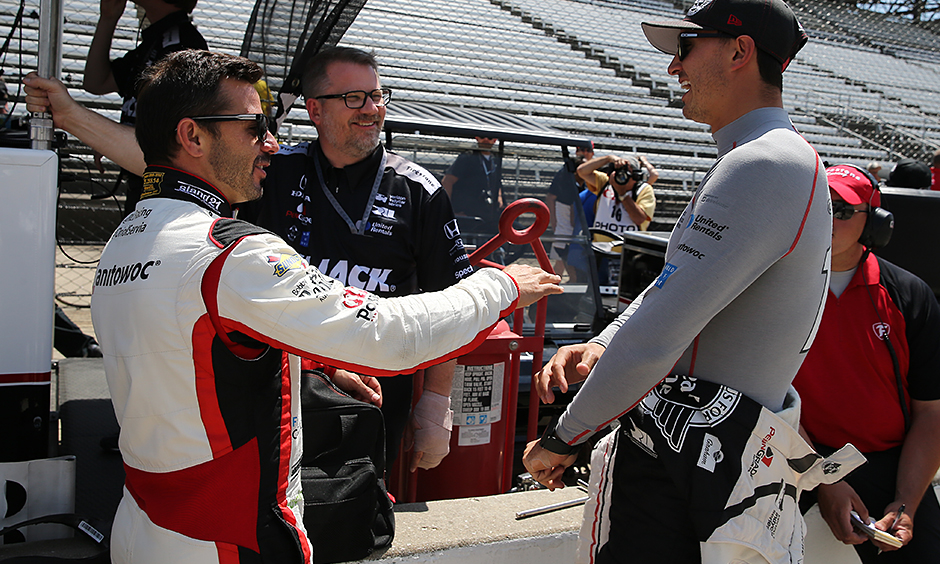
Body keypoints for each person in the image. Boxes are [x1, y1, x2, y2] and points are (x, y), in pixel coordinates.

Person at [30, 49, 560, 564]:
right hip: (228, 541)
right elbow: (391, 336)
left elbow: (202, 350)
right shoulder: (230, 252)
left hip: (143, 522)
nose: (270, 143)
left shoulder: (127, 239)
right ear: (191, 136)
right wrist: (503, 287)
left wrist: (315, 360)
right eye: (253, 128)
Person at [522, 0, 850, 561]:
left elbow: (663, 331)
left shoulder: (765, 162)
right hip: (703, 458)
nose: (674, 68)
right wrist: (602, 344)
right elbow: (675, 290)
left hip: (689, 470)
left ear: (740, 51)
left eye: (686, 49)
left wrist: (563, 436)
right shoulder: (765, 157)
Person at [238, 46, 473, 472]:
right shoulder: (272, 173)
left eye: (377, 96)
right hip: (282, 391)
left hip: (378, 400)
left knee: (359, 522)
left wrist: (437, 404)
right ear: (315, 110)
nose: (371, 109)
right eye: (353, 98)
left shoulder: (419, 190)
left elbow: (451, 303)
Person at [793, 164, 940, 563]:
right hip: (796, 460)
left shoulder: (909, 295)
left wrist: (904, 504)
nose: (828, 217)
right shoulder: (775, 286)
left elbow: (931, 413)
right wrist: (824, 480)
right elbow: (764, 397)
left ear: (874, 223)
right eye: (822, 205)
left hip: (891, 465)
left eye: (843, 210)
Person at [83, 0, 206, 216]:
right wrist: (108, 18)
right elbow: (96, 82)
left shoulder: (181, 43)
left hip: (163, 194)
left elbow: (169, 135)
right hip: (143, 185)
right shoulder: (156, 39)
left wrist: (113, 137)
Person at [546, 141, 594, 281]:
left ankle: (566, 282)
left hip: (579, 221)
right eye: (581, 149)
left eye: (587, 150)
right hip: (565, 219)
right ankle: (555, 285)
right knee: (561, 256)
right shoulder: (566, 172)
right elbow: (551, 197)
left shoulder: (593, 176)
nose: (584, 152)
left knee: (568, 257)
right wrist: (554, 222)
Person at [442, 136, 503, 231]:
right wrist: (449, 210)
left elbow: (497, 183)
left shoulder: (495, 159)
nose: (486, 140)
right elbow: (447, 181)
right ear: (477, 138)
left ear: (495, 140)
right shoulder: (467, 157)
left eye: (490, 138)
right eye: (482, 137)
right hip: (466, 212)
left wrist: (500, 199)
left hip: (487, 213)